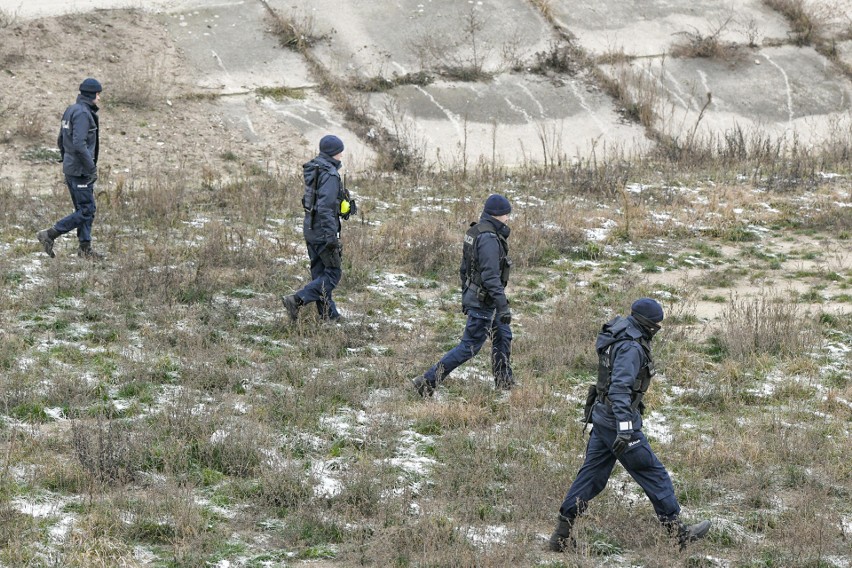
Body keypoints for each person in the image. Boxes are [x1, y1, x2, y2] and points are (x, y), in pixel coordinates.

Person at [549, 298, 711, 552]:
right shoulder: (631, 348)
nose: (657, 328)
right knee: (653, 473)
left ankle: (561, 537)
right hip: (617, 422)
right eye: (656, 324)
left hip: (602, 418)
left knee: (591, 477)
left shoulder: (619, 332)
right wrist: (625, 427)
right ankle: (678, 533)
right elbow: (620, 389)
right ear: (646, 323)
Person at [412, 194, 514, 397]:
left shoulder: (477, 231)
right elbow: (490, 276)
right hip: (484, 301)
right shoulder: (488, 239)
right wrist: (502, 306)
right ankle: (427, 381)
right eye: (506, 215)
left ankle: (504, 383)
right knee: (469, 347)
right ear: (497, 215)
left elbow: (464, 270)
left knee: (502, 335)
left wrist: (467, 294)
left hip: (483, 298)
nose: (508, 219)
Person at [281, 135, 356, 322]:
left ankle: (329, 315)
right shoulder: (330, 174)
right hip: (323, 231)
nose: (341, 156)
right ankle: (297, 300)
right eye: (340, 152)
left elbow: (312, 201)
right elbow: (325, 207)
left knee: (320, 274)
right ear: (333, 153)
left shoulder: (314, 169)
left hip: (310, 228)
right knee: (332, 273)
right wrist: (331, 235)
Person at [37, 77, 104, 260]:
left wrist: (66, 160)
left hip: (71, 167)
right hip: (80, 170)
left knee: (83, 209)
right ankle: (50, 234)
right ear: (92, 94)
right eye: (98, 94)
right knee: (87, 210)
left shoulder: (71, 110)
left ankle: (85, 248)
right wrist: (91, 168)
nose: (99, 98)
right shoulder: (83, 113)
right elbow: (79, 144)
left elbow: (61, 139)